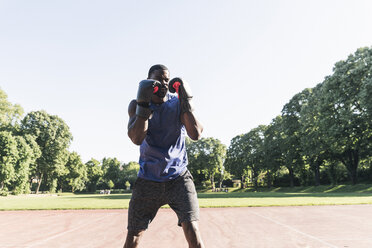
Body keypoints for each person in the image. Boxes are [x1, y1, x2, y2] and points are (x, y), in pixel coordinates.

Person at [124, 64, 205, 248]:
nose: (163, 84)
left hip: (178, 178)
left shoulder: (176, 104)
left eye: (166, 80)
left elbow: (196, 134)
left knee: (192, 230)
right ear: (148, 82)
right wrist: (144, 106)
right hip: (147, 179)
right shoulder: (136, 105)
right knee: (134, 235)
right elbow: (136, 138)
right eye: (158, 80)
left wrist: (186, 101)